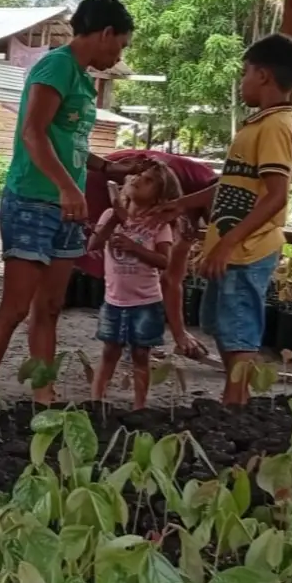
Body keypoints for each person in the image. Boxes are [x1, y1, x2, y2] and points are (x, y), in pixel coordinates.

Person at [0, 0, 146, 402]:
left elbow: (70, 142)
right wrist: (68, 186)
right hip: (33, 199)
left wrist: (108, 168)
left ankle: (43, 395)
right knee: (15, 308)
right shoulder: (56, 66)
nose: (118, 56)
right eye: (120, 45)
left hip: (65, 206)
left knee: (49, 307)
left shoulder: (82, 78)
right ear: (105, 33)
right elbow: (33, 133)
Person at [153, 33, 292, 405]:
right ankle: (234, 399)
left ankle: (235, 404)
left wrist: (228, 243)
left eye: (245, 72)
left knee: (238, 329)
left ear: (263, 75)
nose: (242, 81)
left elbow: (276, 195)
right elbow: (232, 185)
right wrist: (183, 203)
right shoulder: (257, 125)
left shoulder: (275, 126)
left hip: (248, 249)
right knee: (221, 324)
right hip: (233, 247)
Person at [81, 149, 219, 359]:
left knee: (132, 260)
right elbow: (170, 278)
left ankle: (132, 338)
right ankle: (131, 339)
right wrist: (180, 335)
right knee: (118, 263)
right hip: (100, 181)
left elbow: (169, 269)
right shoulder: (175, 190)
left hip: (116, 174)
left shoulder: (199, 187)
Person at [88, 163, 181, 409]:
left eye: (148, 181)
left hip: (146, 303)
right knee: (110, 351)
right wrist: (114, 219)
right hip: (113, 300)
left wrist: (134, 248)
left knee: (141, 355)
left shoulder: (158, 225)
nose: (139, 179)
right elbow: (93, 245)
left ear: (159, 196)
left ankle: (139, 406)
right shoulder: (110, 215)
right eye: (138, 175)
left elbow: (164, 261)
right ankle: (96, 402)